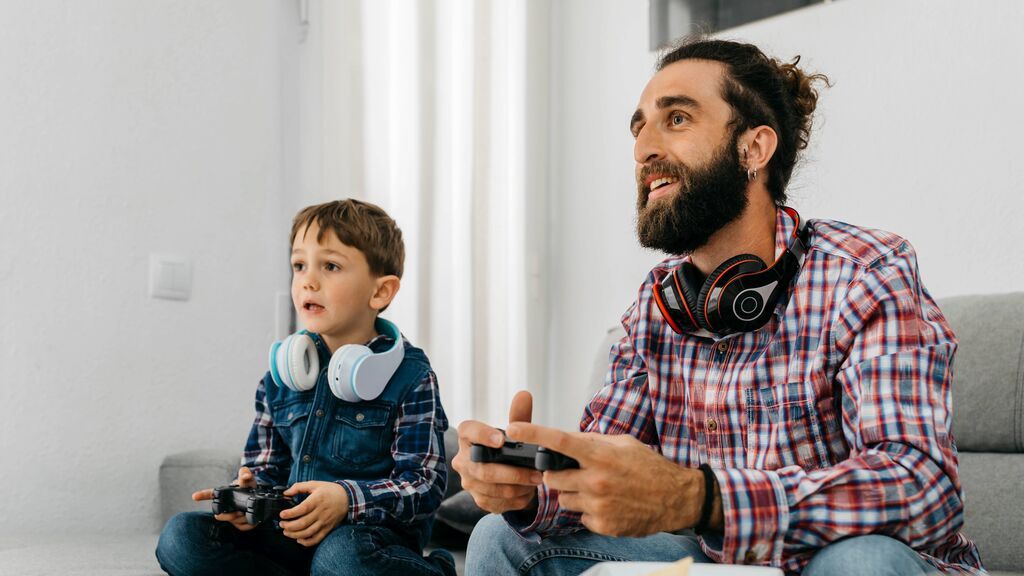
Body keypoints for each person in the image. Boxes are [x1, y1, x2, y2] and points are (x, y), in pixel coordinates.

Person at [455, 37, 986, 575]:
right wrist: (525, 487)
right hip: (721, 564)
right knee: (501, 538)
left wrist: (701, 498)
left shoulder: (866, 271)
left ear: (753, 149)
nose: (643, 149)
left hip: (850, 562)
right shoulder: (656, 304)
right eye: (639, 128)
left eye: (677, 118)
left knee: (861, 563)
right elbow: (605, 465)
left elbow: (921, 487)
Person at [156, 199, 455, 576]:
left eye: (330, 266)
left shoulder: (412, 377)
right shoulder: (280, 378)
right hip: (291, 533)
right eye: (299, 265)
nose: (308, 280)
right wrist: (249, 496)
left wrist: (347, 500)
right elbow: (267, 469)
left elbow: (423, 486)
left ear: (380, 293)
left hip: (367, 539)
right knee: (181, 536)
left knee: (341, 558)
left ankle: (435, 569)